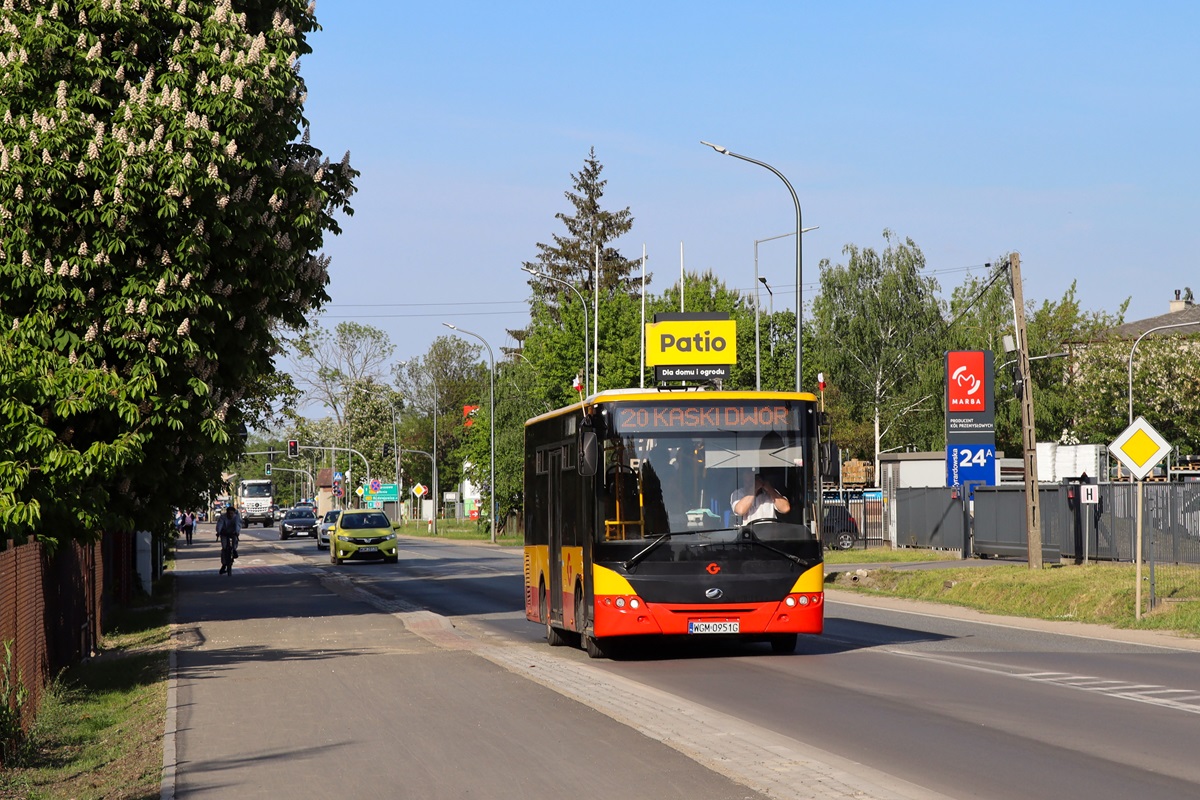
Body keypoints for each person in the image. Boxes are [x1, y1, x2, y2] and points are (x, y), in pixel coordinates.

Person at [215, 505, 242, 574]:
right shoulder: (223, 517)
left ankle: (234, 550)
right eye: (229, 513)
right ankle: (224, 564)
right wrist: (218, 532)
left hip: (233, 532)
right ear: (226, 513)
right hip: (224, 533)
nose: (230, 515)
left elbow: (237, 525)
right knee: (224, 548)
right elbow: (219, 525)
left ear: (234, 513)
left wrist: (237, 532)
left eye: (232, 513)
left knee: (234, 541)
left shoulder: (236, 517)